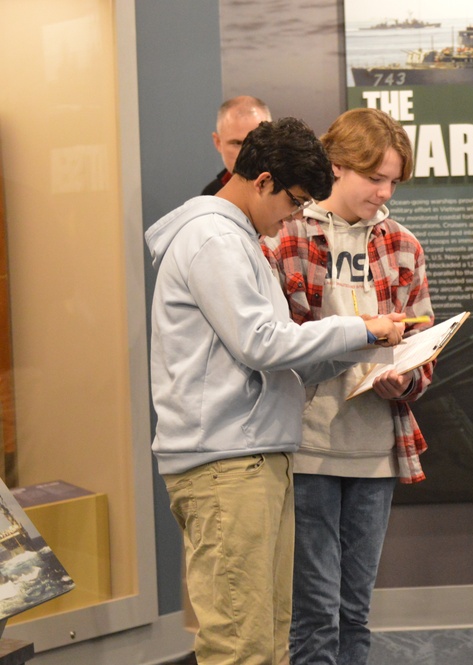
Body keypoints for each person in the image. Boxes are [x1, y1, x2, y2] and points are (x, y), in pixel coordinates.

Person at [145, 117, 404, 665]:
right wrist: (360, 329)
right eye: (293, 200)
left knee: (267, 639)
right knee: (241, 645)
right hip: (225, 463)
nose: (293, 214)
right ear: (262, 181)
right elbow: (261, 344)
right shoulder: (214, 238)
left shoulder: (239, 240)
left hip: (251, 457)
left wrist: (360, 348)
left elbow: (276, 362)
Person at [268, 107, 433, 665]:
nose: (385, 192)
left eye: (393, 181)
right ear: (336, 167)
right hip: (308, 447)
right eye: (375, 178)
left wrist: (405, 379)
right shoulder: (285, 236)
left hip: (376, 454)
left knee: (355, 613)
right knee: (315, 615)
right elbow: (269, 347)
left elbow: (423, 349)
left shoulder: (404, 246)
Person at [201, 95, 271, 195]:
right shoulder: (211, 194)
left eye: (256, 141)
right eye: (237, 143)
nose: (247, 153)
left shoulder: (292, 189)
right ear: (218, 142)